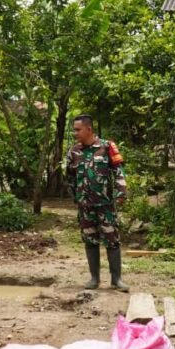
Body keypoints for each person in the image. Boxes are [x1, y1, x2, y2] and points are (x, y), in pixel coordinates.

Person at [65, 114, 129, 292]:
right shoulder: (73, 152)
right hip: (85, 206)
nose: (75, 133)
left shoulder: (107, 147)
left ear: (89, 129)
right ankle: (94, 278)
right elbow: (69, 178)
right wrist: (76, 198)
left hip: (105, 205)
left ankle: (116, 280)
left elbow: (118, 171)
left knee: (112, 240)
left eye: (78, 129)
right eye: (74, 129)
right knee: (90, 240)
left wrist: (121, 191)